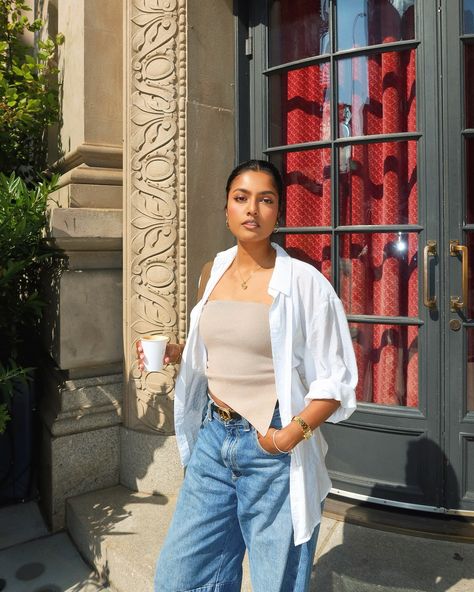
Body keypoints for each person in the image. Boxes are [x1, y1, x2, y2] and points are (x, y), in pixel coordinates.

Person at [137, 160, 358, 592]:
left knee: (275, 581)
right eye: (241, 198)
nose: (251, 209)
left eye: (265, 200)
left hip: (271, 447)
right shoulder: (211, 271)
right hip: (213, 441)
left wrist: (286, 437)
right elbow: (217, 352)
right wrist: (177, 353)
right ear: (226, 210)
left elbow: (337, 381)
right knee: (179, 578)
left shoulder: (304, 283)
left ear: (279, 212)